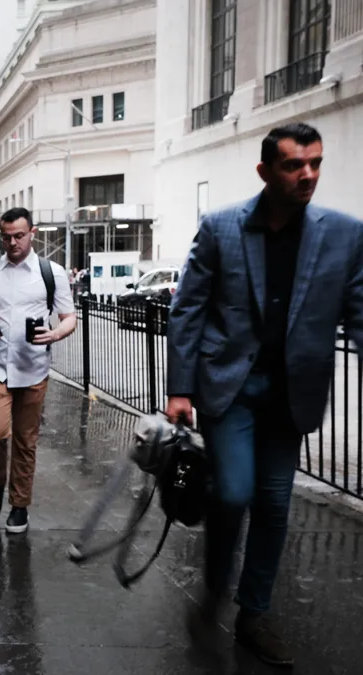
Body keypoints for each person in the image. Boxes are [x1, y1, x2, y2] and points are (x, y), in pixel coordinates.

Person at [167, 123, 363, 668]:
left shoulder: (344, 234)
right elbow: (187, 308)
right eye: (294, 165)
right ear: (265, 171)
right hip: (229, 388)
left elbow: (359, 311)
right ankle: (213, 588)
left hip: (291, 394)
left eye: (316, 164)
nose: (308, 175)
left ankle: (253, 614)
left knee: (275, 504)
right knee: (231, 493)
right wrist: (180, 388)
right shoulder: (222, 227)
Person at [0, 208, 75, 534]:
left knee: (26, 440)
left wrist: (55, 333)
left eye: (19, 236)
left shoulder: (51, 273)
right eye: (6, 237)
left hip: (34, 369)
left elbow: (69, 317)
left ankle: (19, 506)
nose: (12, 242)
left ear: (32, 233)